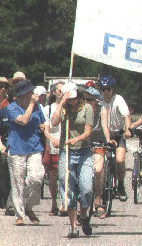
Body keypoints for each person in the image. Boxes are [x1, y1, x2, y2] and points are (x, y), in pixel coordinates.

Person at [51, 82, 94, 237]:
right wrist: (62, 102)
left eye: (73, 99)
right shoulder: (64, 108)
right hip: (66, 151)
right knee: (67, 185)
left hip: (84, 152)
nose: (72, 102)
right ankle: (73, 226)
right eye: (69, 99)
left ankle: (84, 215)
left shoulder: (87, 108)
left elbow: (88, 131)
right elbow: (54, 123)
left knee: (86, 188)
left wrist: (77, 140)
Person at [5, 80, 46, 226]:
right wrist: (31, 105)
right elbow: (23, 121)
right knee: (18, 182)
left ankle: (28, 206)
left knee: (37, 177)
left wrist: (42, 127)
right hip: (17, 148)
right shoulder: (12, 108)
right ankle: (20, 214)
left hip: (34, 146)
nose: (33, 94)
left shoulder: (37, 107)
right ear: (22, 95)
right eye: (30, 92)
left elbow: (42, 123)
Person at [98, 75, 131, 202]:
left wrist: (127, 130)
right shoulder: (99, 101)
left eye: (109, 89)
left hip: (118, 133)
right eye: (103, 89)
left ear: (113, 89)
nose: (106, 92)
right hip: (103, 135)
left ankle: (121, 185)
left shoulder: (118, 99)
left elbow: (126, 116)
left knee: (120, 160)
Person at [83, 86, 107, 218]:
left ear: (96, 101)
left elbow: (104, 125)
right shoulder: (80, 109)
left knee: (98, 170)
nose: (85, 102)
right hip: (83, 143)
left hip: (97, 142)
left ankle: (98, 202)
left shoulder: (101, 110)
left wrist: (108, 140)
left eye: (89, 99)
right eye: (84, 99)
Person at [42, 81, 64, 216]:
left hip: (65, 145)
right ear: (54, 92)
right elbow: (45, 129)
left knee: (65, 176)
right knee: (53, 177)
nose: (61, 93)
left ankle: (64, 203)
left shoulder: (68, 108)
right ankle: (54, 203)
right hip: (53, 146)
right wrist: (52, 139)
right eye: (59, 90)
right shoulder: (47, 109)